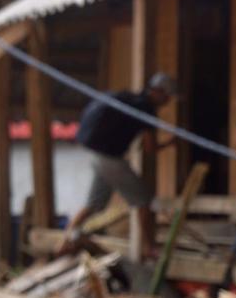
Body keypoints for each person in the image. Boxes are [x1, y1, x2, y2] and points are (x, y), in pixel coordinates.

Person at [63, 72, 176, 257]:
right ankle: (150, 249)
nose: (168, 101)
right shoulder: (147, 110)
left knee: (94, 203)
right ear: (158, 92)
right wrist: (170, 143)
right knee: (144, 200)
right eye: (167, 96)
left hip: (97, 156)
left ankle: (68, 238)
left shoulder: (130, 99)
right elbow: (150, 148)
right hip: (111, 159)